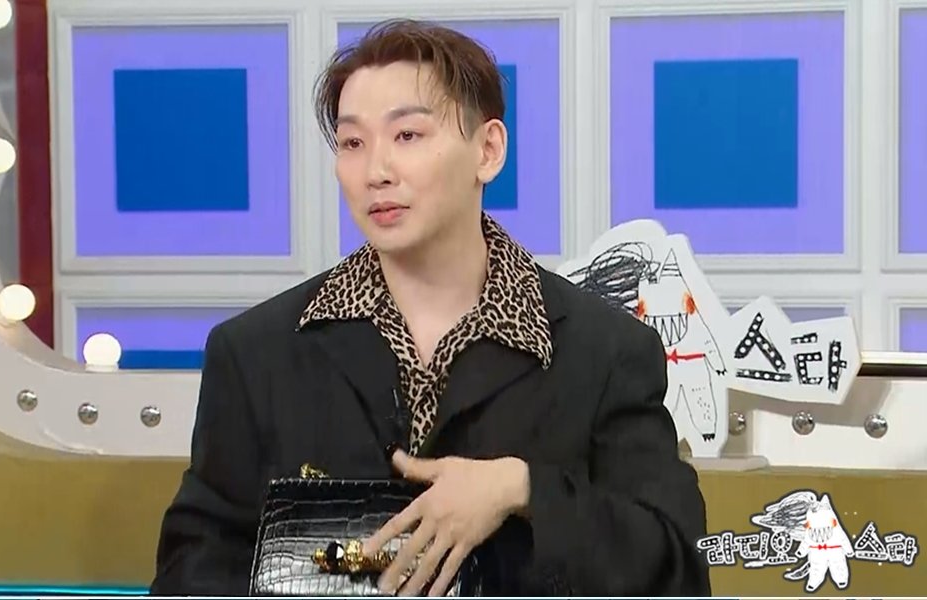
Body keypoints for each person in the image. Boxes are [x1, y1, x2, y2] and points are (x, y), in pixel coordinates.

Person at [150, 19, 710, 596]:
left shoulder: (604, 352)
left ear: (488, 151)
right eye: (352, 143)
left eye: (408, 135)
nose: (376, 172)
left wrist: (523, 490)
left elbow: (677, 565)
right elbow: (190, 569)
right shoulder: (256, 353)